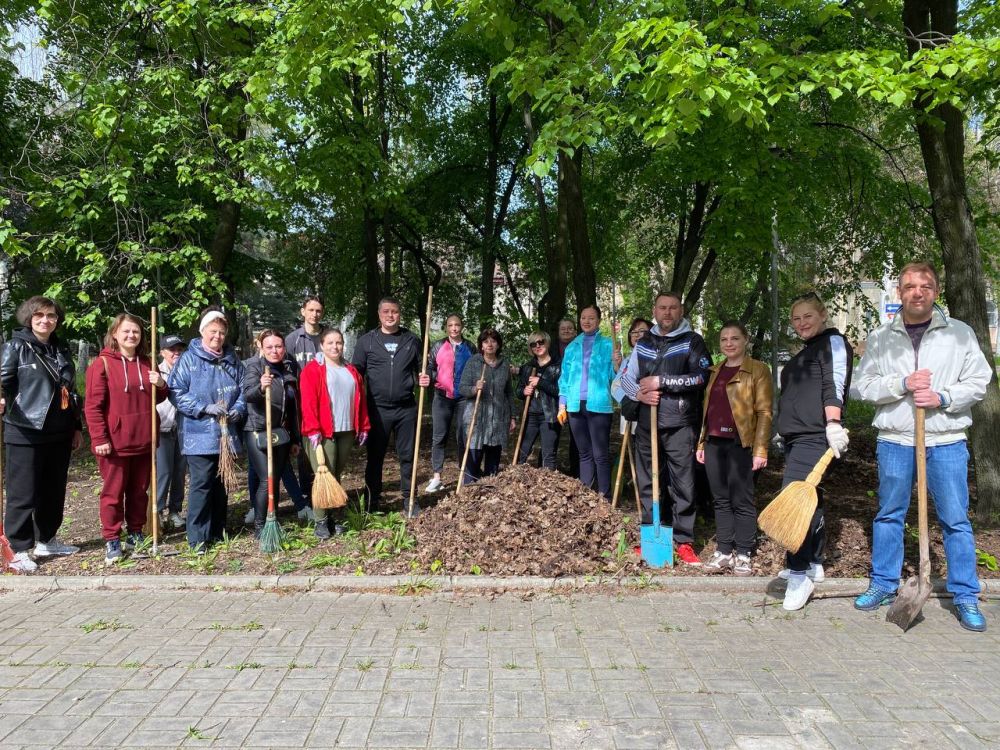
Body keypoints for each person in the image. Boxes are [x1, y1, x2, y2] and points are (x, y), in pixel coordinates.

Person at [853, 263, 992, 632]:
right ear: (899, 292)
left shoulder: (959, 334)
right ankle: (883, 583)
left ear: (937, 291)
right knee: (889, 514)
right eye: (910, 286)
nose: (918, 292)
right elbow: (862, 387)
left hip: (945, 441)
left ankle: (964, 594)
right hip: (897, 440)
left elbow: (979, 381)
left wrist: (943, 396)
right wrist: (902, 383)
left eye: (925, 286)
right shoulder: (882, 337)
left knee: (955, 519)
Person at [620, 293, 712, 566]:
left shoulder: (692, 342)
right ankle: (651, 535)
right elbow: (626, 379)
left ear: (680, 310)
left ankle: (684, 541)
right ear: (655, 311)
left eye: (673, 308)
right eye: (662, 308)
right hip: (647, 424)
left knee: (683, 483)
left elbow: (701, 378)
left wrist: (662, 381)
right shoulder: (645, 342)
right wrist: (640, 395)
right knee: (648, 481)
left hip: (680, 424)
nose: (667, 313)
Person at [775, 292, 853, 610]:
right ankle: (813, 562)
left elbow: (834, 384)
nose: (801, 322)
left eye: (808, 316)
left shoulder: (833, 344)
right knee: (811, 499)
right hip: (797, 438)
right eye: (796, 318)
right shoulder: (806, 352)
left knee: (793, 500)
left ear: (822, 315)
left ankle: (798, 575)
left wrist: (833, 423)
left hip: (816, 436)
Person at [0, 296, 83, 572]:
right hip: (25, 430)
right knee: (23, 493)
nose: (45, 320)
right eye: (39, 316)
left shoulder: (60, 349)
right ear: (29, 318)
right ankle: (19, 548)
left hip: (58, 431)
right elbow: (3, 380)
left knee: (53, 490)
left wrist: (76, 426)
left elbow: (71, 392)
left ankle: (47, 539)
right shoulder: (15, 346)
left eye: (51, 315)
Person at [84, 313, 168, 563]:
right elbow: (93, 407)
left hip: (144, 439)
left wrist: (160, 383)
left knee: (139, 492)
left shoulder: (147, 362)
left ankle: (135, 533)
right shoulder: (102, 364)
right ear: (115, 335)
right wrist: (100, 438)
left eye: (136, 332)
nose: (132, 336)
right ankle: (112, 539)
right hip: (115, 444)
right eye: (126, 331)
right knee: (113, 494)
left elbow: (159, 397)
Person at [696, 321, 772, 576]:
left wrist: (761, 449)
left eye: (734, 338)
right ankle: (724, 550)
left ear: (745, 340)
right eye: (724, 339)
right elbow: (707, 411)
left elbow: (764, 412)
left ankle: (744, 552)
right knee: (720, 498)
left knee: (742, 499)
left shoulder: (758, 370)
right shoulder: (715, 370)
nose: (729, 343)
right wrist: (701, 442)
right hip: (714, 443)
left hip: (742, 443)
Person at [167, 310, 246, 551]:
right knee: (201, 483)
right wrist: (203, 407)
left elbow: (243, 389)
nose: (218, 336)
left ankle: (217, 530)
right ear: (203, 332)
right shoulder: (189, 359)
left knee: (222, 482)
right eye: (213, 331)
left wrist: (238, 410)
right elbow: (175, 391)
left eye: (222, 332)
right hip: (198, 434)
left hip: (225, 433)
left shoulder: (232, 360)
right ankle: (198, 537)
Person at [351, 297, 430, 512]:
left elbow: (424, 367)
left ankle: (410, 499)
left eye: (394, 311)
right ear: (379, 314)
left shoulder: (411, 340)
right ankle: (371, 501)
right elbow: (355, 373)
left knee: (408, 456)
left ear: (399, 314)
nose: (390, 315)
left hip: (406, 409)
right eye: (386, 311)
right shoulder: (366, 341)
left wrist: (425, 376)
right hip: (377, 409)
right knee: (375, 457)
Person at [300, 328, 370, 537]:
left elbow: (361, 399)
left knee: (336, 475)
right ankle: (321, 520)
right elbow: (308, 402)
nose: (335, 347)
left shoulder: (350, 369)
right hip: (322, 432)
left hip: (346, 430)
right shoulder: (313, 370)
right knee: (324, 474)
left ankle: (335, 516)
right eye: (330, 343)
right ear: (321, 345)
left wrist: (364, 425)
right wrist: (312, 429)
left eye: (338, 342)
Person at [242, 330, 301, 539]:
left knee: (275, 479)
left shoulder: (288, 368)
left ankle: (272, 519)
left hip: (280, 432)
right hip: (258, 429)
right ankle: (260, 526)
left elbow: (293, 408)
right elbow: (248, 394)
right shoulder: (254, 366)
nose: (275, 351)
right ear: (261, 347)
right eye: (269, 347)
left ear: (284, 347)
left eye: (278, 346)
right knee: (266, 480)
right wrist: (261, 387)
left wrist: (295, 438)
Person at [557, 306, 616, 499]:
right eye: (583, 318)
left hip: (599, 404)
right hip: (575, 405)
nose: (587, 321)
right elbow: (564, 378)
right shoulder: (573, 346)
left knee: (600, 454)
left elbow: (613, 377)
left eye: (591, 318)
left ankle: (604, 497)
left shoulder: (608, 345)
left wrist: (617, 364)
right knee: (584, 453)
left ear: (599, 320)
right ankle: (587, 498)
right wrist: (562, 403)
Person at [424, 314, 475, 492]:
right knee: (439, 436)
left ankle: (464, 474)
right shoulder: (438, 346)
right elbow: (430, 367)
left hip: (463, 398)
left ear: (462, 327)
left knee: (463, 435)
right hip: (442, 396)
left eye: (457, 325)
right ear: (446, 327)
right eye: (450, 325)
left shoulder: (470, 347)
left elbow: (477, 368)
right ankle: (437, 476)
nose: (454, 328)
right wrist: (428, 376)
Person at [459, 328, 515, 483]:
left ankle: (489, 496)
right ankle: (469, 495)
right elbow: (462, 388)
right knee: (473, 460)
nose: (490, 344)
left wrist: (513, 416)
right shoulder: (473, 362)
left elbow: (509, 392)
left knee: (492, 465)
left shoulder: (504, 365)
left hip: (497, 421)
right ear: (481, 345)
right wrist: (474, 388)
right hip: (476, 420)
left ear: (498, 344)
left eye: (493, 341)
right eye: (485, 341)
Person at [284, 296, 325, 504]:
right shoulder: (292, 340)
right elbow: (287, 371)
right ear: (303, 311)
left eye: (318, 310)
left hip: (326, 401)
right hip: (302, 404)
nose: (314, 314)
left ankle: (326, 488)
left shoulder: (328, 336)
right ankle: (307, 494)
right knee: (305, 448)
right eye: (311, 310)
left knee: (326, 444)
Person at [515, 332, 562, 469]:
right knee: (522, 451)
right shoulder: (527, 367)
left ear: (547, 343)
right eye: (533, 344)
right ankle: (517, 481)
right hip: (530, 415)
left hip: (549, 416)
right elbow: (518, 391)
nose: (538, 346)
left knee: (548, 454)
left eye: (541, 342)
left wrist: (540, 383)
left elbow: (560, 391)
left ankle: (547, 486)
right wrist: (524, 392)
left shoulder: (558, 366)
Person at [156, 334, 188, 531]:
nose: (176, 353)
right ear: (162, 352)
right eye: (172, 350)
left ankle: (175, 511)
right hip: (162, 429)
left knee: (179, 473)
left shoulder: (186, 371)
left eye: (179, 349)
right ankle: (157, 512)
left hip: (183, 430)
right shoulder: (156, 373)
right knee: (163, 472)